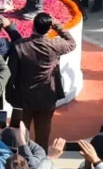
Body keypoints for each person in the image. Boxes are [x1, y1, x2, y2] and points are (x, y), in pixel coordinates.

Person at [7, 13, 77, 144]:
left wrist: (10, 96)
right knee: (42, 136)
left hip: (23, 98)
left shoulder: (19, 46)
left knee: (19, 137)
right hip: (46, 97)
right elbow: (72, 43)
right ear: (49, 28)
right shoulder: (55, 45)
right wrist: (57, 25)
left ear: (33, 26)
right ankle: (41, 156)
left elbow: (11, 75)